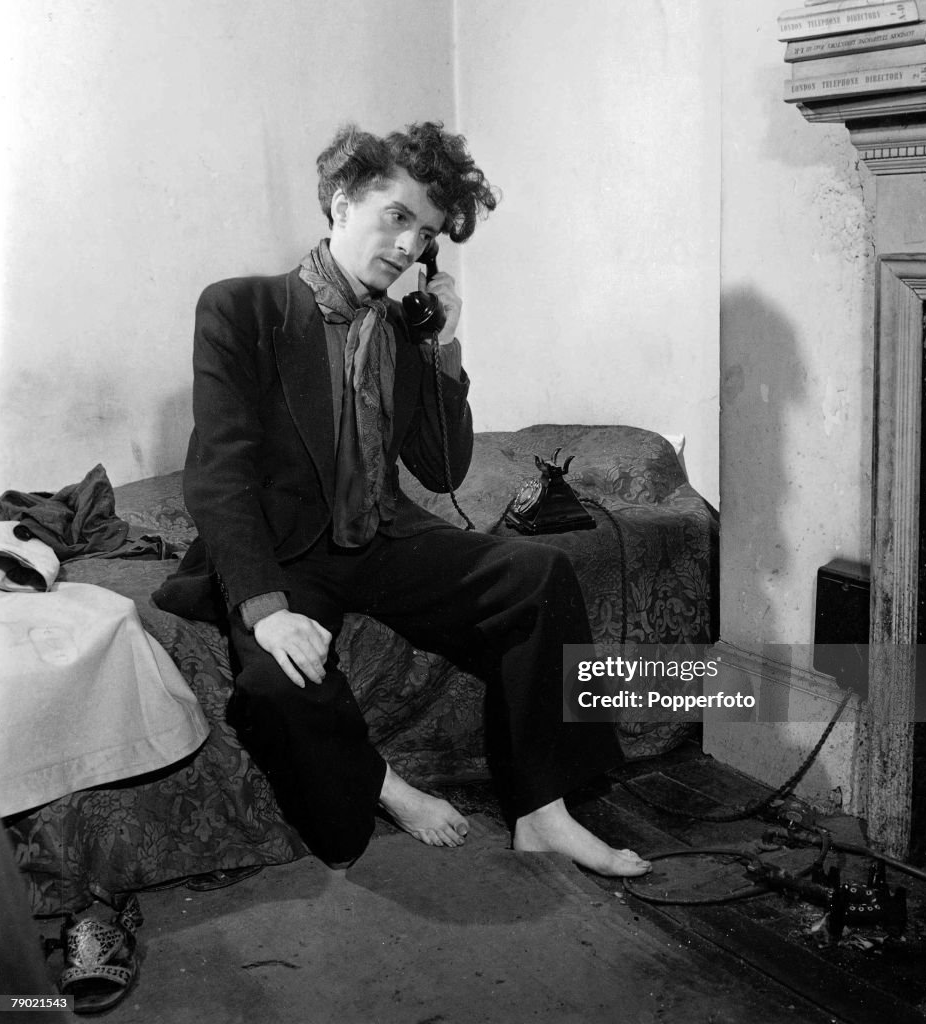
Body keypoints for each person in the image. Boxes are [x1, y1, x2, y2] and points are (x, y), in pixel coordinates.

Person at [159, 121, 650, 878]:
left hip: (384, 535)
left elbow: (445, 467)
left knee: (540, 576)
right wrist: (268, 609)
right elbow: (217, 476)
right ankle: (385, 785)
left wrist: (442, 348)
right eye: (397, 218)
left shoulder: (401, 329)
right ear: (342, 201)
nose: (407, 248)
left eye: (423, 236)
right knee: (274, 686)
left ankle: (541, 812)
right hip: (286, 551)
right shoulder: (243, 310)